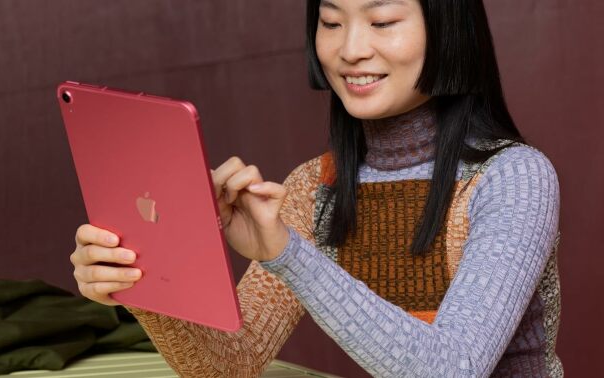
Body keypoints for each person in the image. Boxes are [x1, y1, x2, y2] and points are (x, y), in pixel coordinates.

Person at [69, 0, 563, 376]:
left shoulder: (513, 177)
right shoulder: (314, 188)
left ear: (450, 30)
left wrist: (289, 253)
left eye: (382, 21)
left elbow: (451, 369)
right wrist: (142, 277)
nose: (349, 50)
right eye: (330, 23)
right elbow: (230, 365)